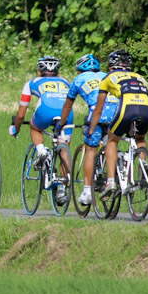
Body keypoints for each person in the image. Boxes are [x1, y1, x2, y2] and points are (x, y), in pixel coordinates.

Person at [88, 49, 148, 199]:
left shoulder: (108, 77)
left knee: (111, 140)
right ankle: (142, 164)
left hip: (127, 107)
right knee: (140, 139)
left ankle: (110, 181)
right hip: (146, 108)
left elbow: (99, 108)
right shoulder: (139, 76)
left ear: (110, 66)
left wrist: (92, 128)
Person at [8, 56, 73, 205]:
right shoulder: (65, 82)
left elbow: (21, 113)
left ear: (39, 72)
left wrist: (15, 128)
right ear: (58, 73)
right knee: (64, 151)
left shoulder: (32, 83)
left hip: (45, 111)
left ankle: (41, 150)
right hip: (66, 114)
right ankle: (63, 187)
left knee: (35, 128)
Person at [56, 54, 119, 205]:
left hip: (98, 115)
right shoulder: (108, 75)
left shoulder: (78, 79)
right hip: (117, 114)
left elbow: (68, 106)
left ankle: (86, 192)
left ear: (79, 70)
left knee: (91, 149)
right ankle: (111, 175)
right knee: (110, 144)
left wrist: (61, 124)